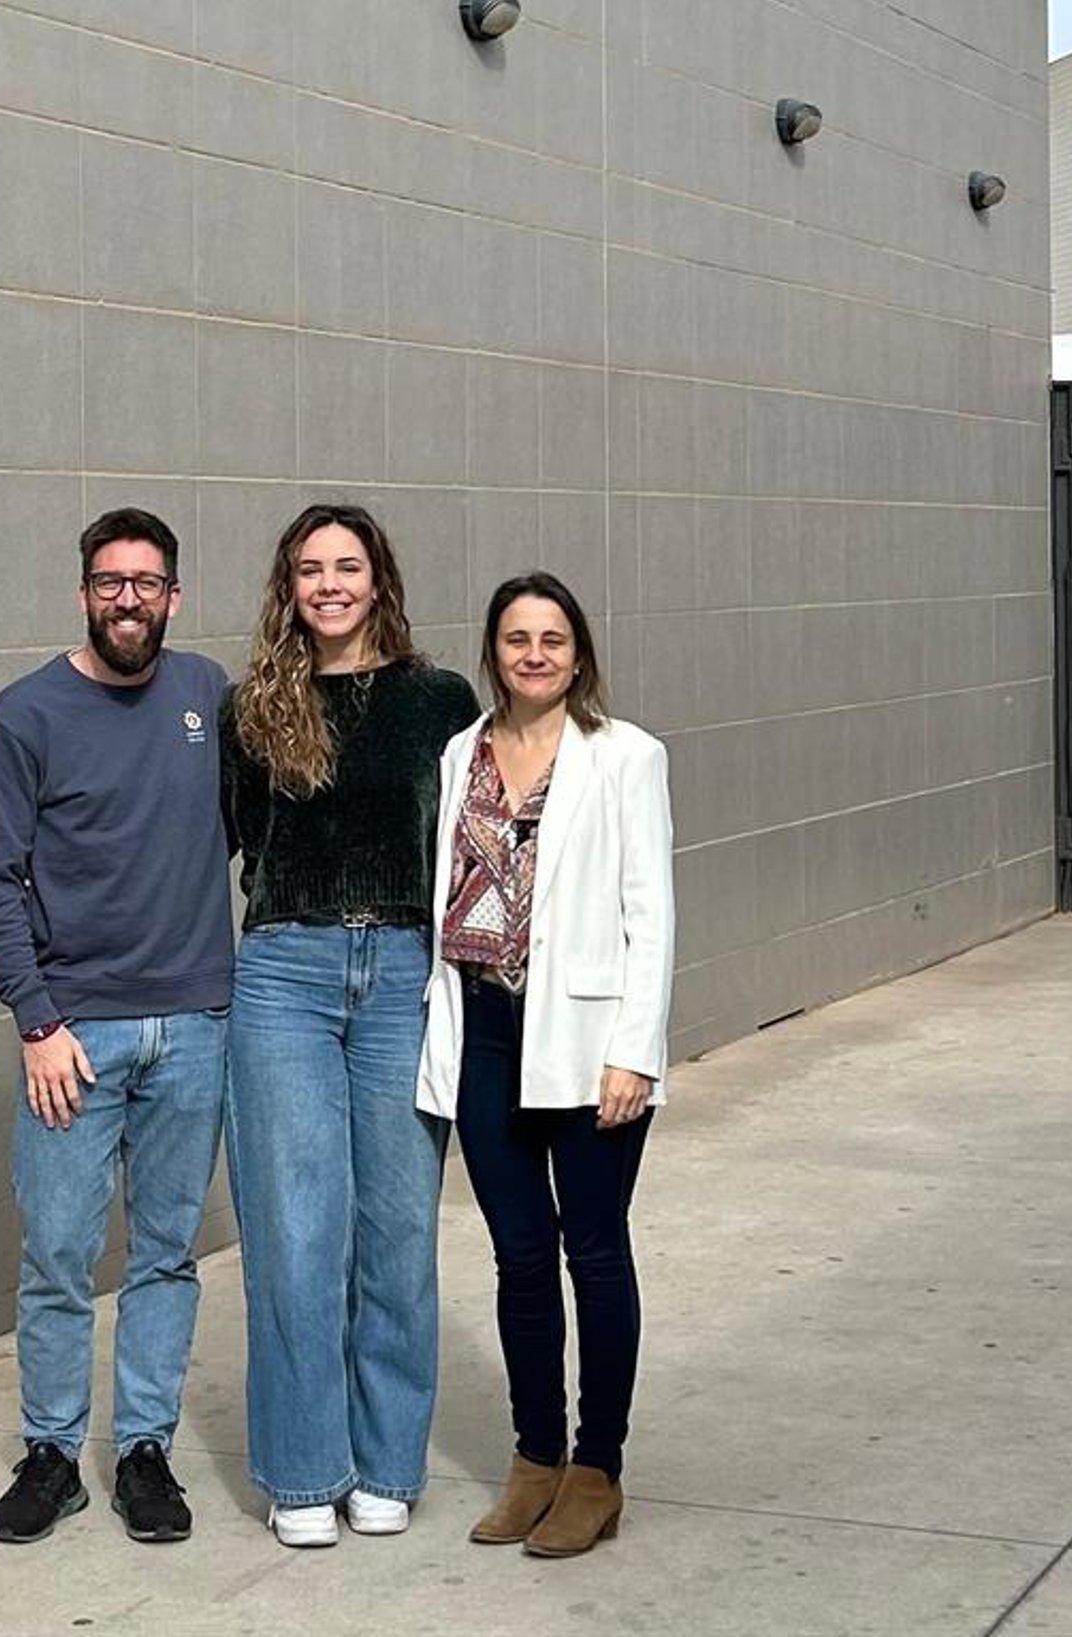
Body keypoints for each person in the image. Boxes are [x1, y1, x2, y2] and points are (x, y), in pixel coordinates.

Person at [0, 510, 233, 1547]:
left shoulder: (208, 694)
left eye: (147, 582)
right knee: (61, 1253)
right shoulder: (23, 717)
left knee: (166, 1253)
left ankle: (144, 1451)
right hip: (75, 1036)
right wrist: (36, 1020)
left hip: (195, 1025)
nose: (129, 599)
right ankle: (51, 1453)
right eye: (110, 581)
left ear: (174, 595)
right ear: (83, 593)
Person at [221, 502, 480, 1546]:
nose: (329, 583)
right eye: (310, 568)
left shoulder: (439, 701)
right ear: (288, 587)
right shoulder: (253, 707)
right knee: (295, 1231)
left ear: (379, 579)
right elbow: (239, 839)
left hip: (405, 970)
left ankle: (386, 1462)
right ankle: (301, 1470)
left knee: (399, 1230)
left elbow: (468, 842)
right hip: (286, 971)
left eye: (348, 565)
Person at [417, 570, 675, 1559]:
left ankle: (597, 1469)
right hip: (485, 1032)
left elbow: (651, 912)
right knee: (519, 1255)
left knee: (594, 1251)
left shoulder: (625, 755)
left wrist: (634, 1052)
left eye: (552, 638)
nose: (534, 653)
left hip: (586, 1039)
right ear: (493, 650)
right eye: (517, 637)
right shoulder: (461, 752)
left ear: (578, 653)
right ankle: (535, 1458)